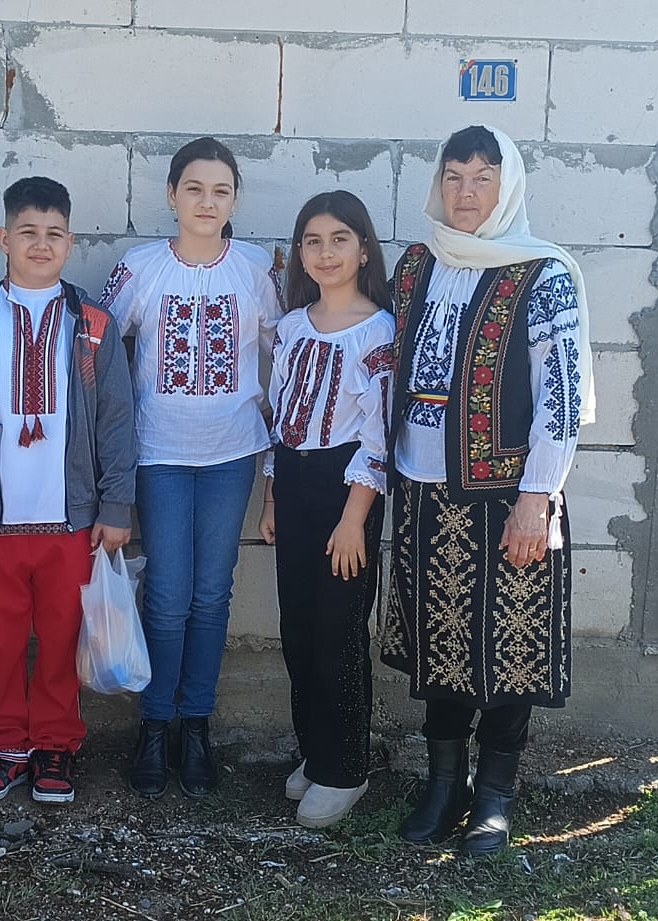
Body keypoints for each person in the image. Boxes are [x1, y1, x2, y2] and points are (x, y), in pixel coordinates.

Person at [381, 124, 595, 857]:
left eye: (482, 178)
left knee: (509, 645)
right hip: (422, 490)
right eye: (454, 176)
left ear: (508, 188)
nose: (465, 192)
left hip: (507, 495)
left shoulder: (542, 273)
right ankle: (443, 783)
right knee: (440, 641)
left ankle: (495, 794)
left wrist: (538, 497)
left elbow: (561, 396)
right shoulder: (417, 264)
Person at [0, 177, 137, 806]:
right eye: (27, 232)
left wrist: (115, 504)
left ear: (71, 243)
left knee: (60, 637)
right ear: (3, 238)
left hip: (70, 519)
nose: (40, 244)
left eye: (54, 234)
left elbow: (117, 419)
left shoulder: (93, 324)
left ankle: (54, 744)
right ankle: (3, 744)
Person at [100, 138, 282, 798]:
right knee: (168, 592)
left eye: (221, 191)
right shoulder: (140, 267)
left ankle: (196, 726)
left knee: (213, 593)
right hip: (160, 456)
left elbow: (284, 365)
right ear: (172, 195)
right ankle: (154, 725)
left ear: (235, 200)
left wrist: (275, 470)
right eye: (195, 189)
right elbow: (99, 351)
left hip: (232, 455)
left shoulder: (256, 270)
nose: (208, 202)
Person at [257, 191, 396, 828]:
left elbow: (378, 434)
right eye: (312, 241)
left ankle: (346, 768)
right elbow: (282, 415)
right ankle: (315, 751)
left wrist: (353, 518)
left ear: (364, 250)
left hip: (347, 490)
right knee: (299, 627)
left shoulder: (380, 331)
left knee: (338, 630)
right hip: (295, 482)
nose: (326, 252)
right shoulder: (292, 326)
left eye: (340, 239)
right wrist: (273, 496)